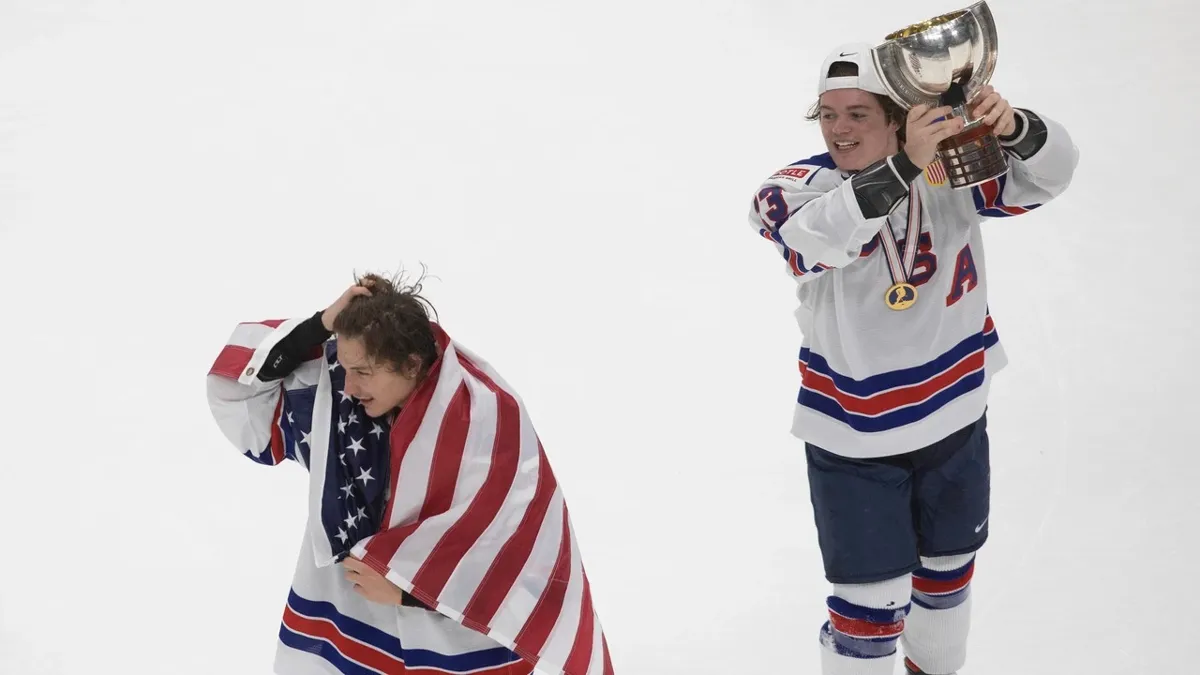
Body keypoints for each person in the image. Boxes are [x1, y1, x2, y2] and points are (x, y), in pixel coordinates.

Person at [745, 43, 1079, 675]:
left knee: (947, 584)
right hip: (854, 435)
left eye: (858, 114)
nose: (839, 129)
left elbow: (1051, 176)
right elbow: (813, 242)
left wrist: (1014, 128)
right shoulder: (797, 189)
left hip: (954, 417)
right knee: (869, 609)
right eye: (828, 114)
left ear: (897, 116)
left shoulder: (951, 175)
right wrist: (904, 167)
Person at [205, 271, 614, 675]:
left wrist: (410, 594)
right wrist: (320, 324)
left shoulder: (486, 418)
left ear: (412, 363)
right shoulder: (337, 399)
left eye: (363, 372)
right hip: (343, 619)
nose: (348, 387)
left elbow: (521, 552)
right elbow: (236, 389)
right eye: (346, 367)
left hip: (449, 635)